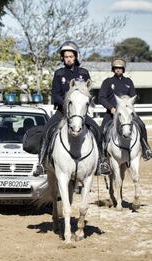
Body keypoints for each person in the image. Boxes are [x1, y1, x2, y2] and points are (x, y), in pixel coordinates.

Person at [33, 41, 111, 176]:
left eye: (71, 56)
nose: (68, 58)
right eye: (66, 56)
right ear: (62, 58)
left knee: (98, 131)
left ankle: (101, 162)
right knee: (46, 131)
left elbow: (88, 93)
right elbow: (55, 93)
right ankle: (41, 163)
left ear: (75, 57)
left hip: (80, 114)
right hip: (62, 112)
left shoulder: (84, 73)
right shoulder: (58, 73)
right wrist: (66, 105)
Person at [99, 58, 152, 161]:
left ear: (123, 69)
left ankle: (145, 149)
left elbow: (133, 96)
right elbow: (101, 98)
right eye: (116, 68)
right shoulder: (107, 82)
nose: (118, 70)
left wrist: (129, 106)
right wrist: (110, 107)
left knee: (141, 125)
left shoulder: (128, 81)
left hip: (127, 114)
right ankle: (102, 157)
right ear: (113, 69)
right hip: (112, 113)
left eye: (120, 68)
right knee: (102, 130)